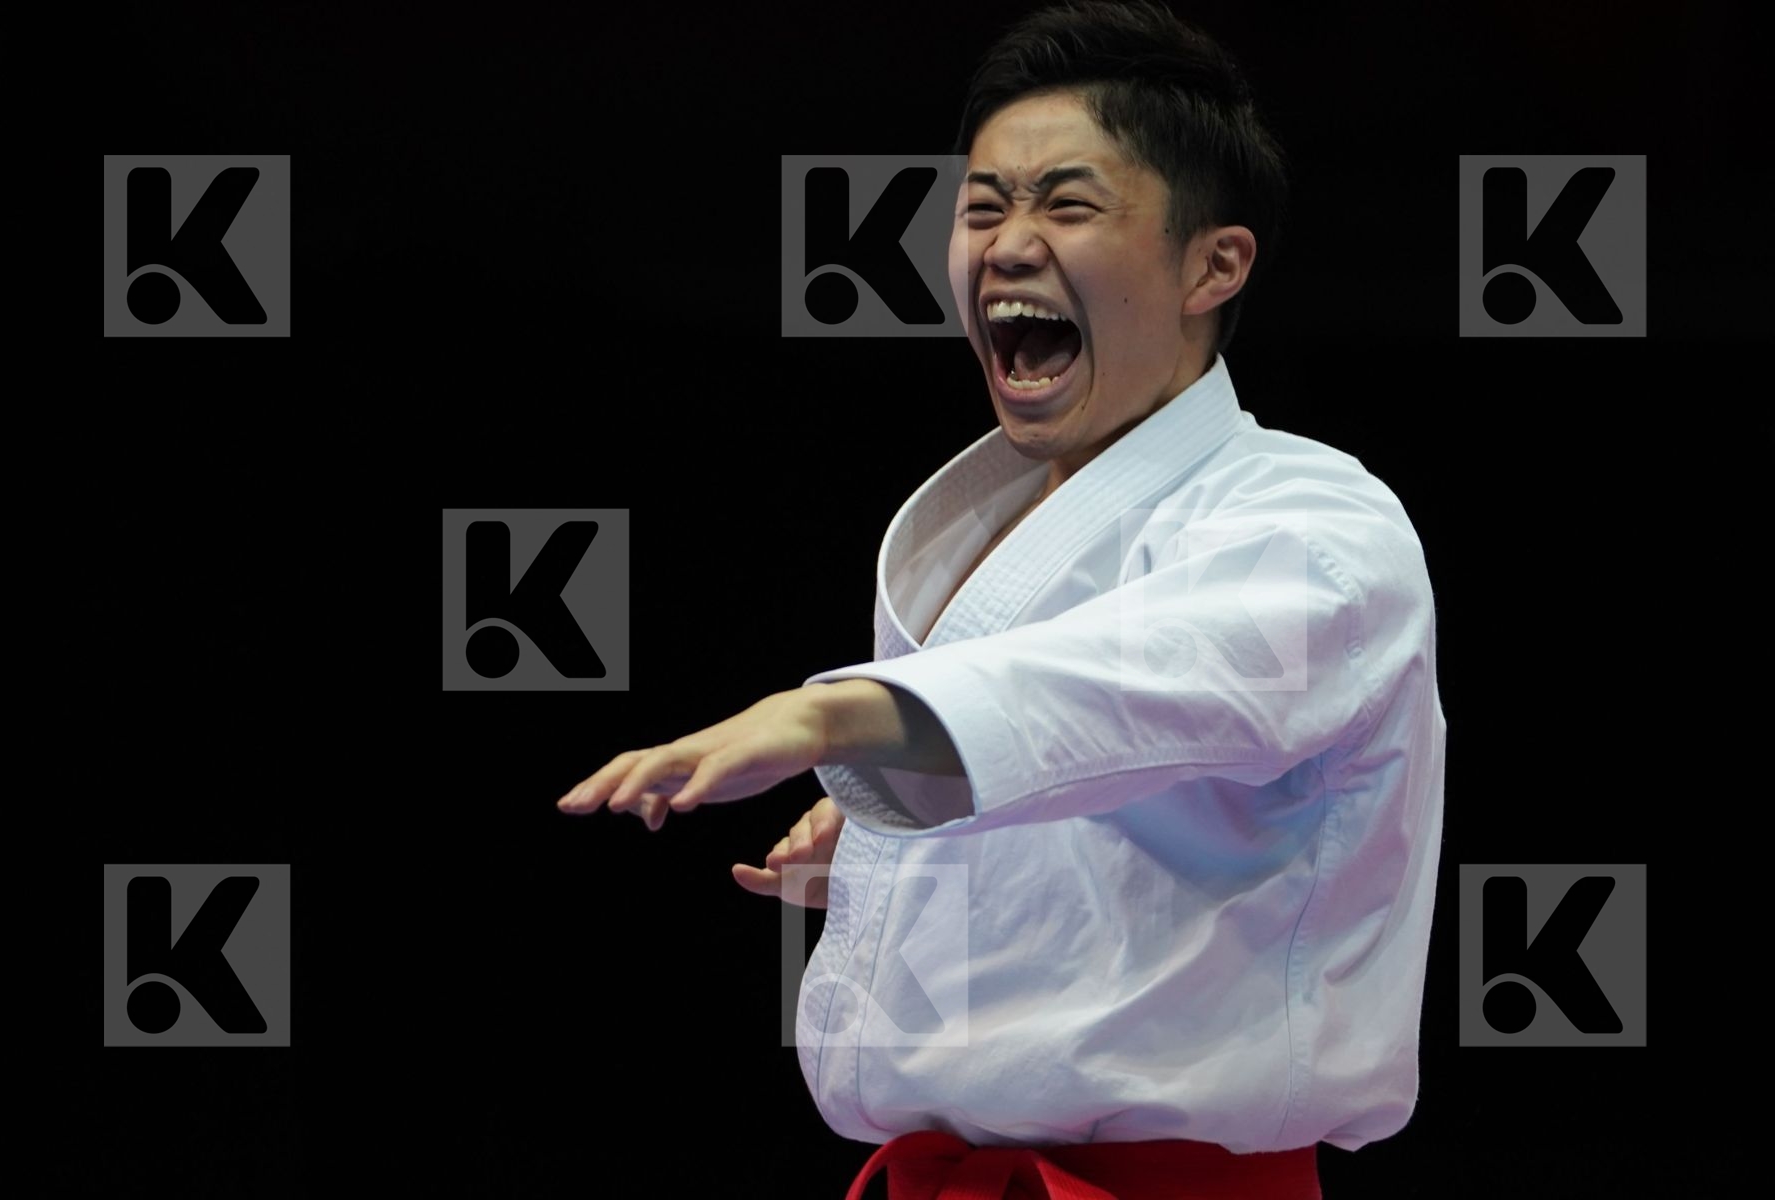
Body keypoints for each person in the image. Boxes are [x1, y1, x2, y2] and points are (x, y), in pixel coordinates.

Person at [559, 3, 1446, 1196]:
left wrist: (834, 718)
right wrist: (901, 856)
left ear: (1213, 263)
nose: (1008, 244)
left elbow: (1147, 687)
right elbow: (1092, 786)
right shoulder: (998, 530)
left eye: (1067, 205)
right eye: (983, 207)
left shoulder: (1315, 523)